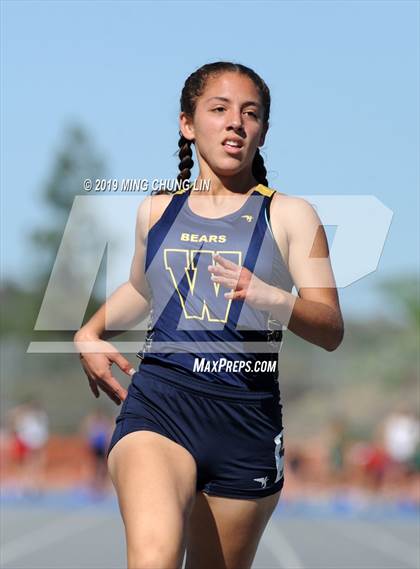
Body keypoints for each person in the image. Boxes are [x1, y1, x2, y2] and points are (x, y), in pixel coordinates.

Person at [74, 61, 344, 569]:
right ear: (188, 123)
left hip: (246, 421)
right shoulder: (157, 210)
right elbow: (141, 287)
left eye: (250, 113)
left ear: (263, 129)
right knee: (153, 556)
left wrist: (272, 298)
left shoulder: (290, 215)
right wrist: (87, 332)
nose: (235, 123)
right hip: (161, 405)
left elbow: (331, 328)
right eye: (218, 110)